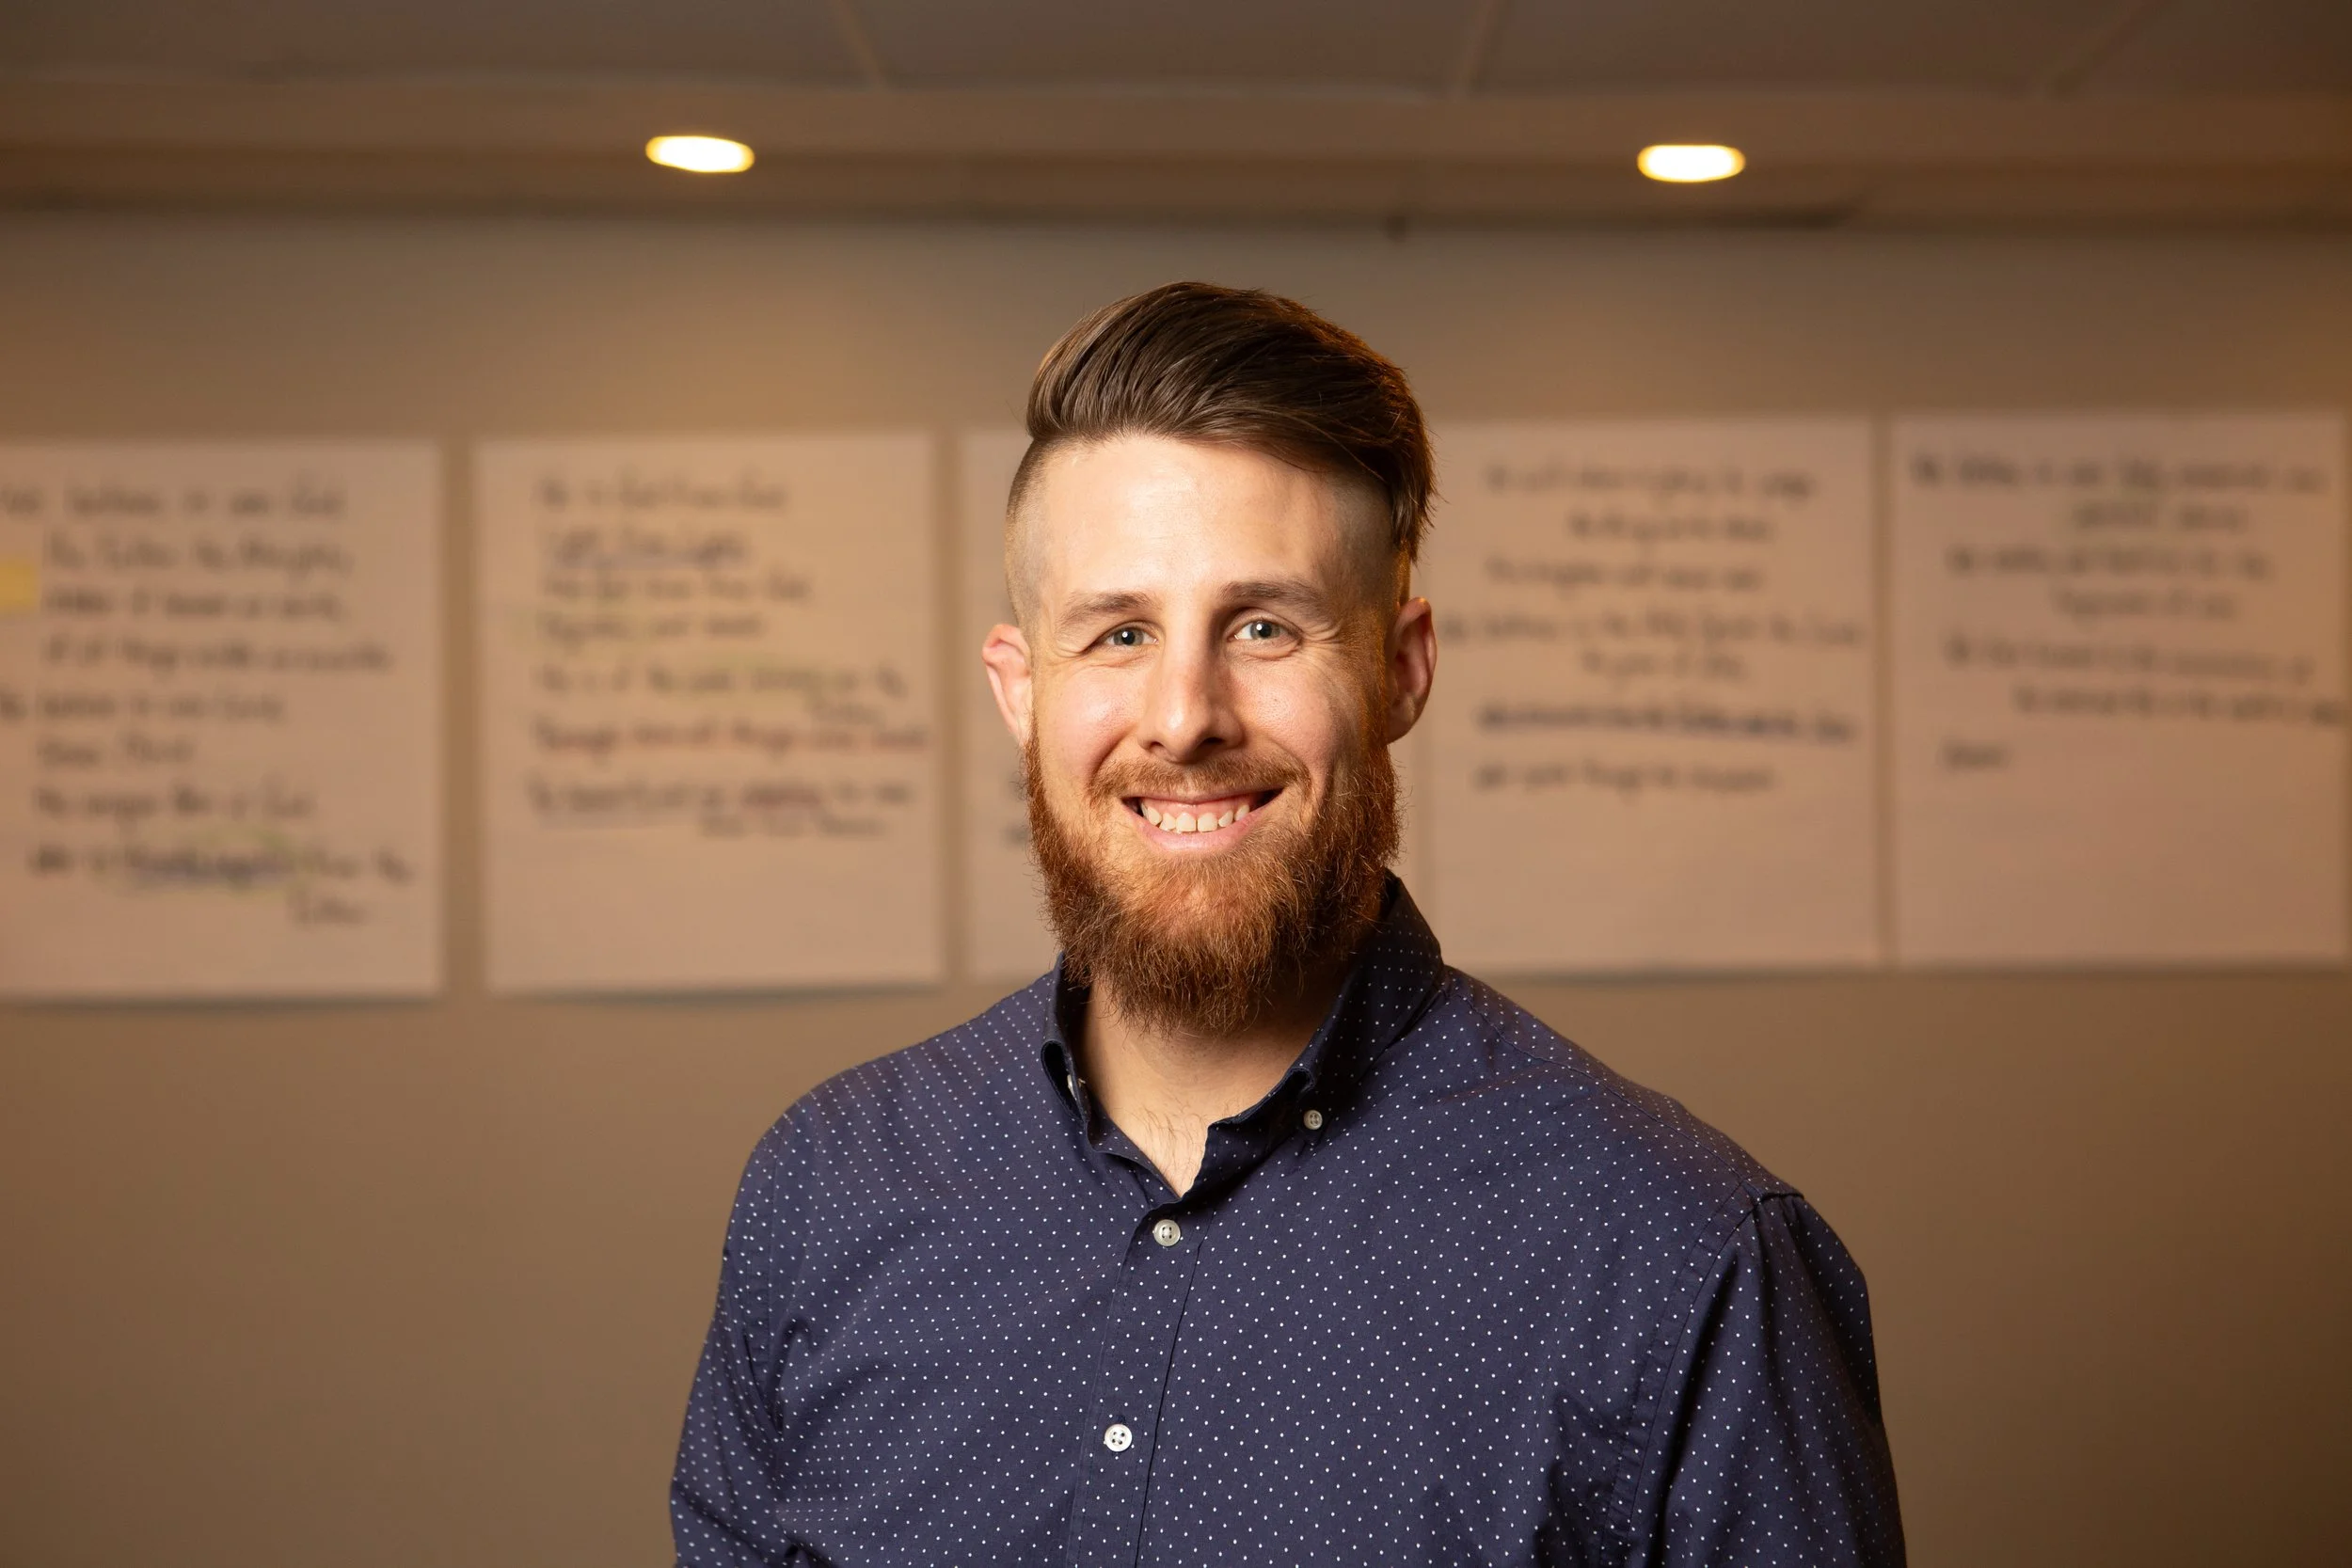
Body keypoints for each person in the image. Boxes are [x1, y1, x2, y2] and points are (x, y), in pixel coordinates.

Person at [672, 282, 1903, 1566]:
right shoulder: (827, 1188)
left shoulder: (1684, 1254)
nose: (1185, 714)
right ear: (1021, 688)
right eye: (1119, 631)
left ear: (1401, 667)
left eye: (1264, 625)